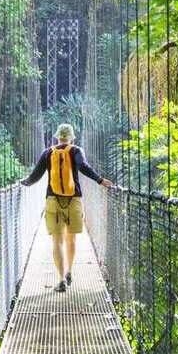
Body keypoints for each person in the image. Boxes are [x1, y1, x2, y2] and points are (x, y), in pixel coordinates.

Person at [21, 123, 112, 293]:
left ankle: (61, 279)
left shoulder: (48, 153)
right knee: (71, 239)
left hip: (53, 200)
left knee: (57, 241)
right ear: (71, 137)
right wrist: (100, 180)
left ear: (57, 136)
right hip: (73, 199)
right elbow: (83, 167)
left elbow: (35, 176)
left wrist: (23, 184)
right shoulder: (76, 150)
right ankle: (69, 271)